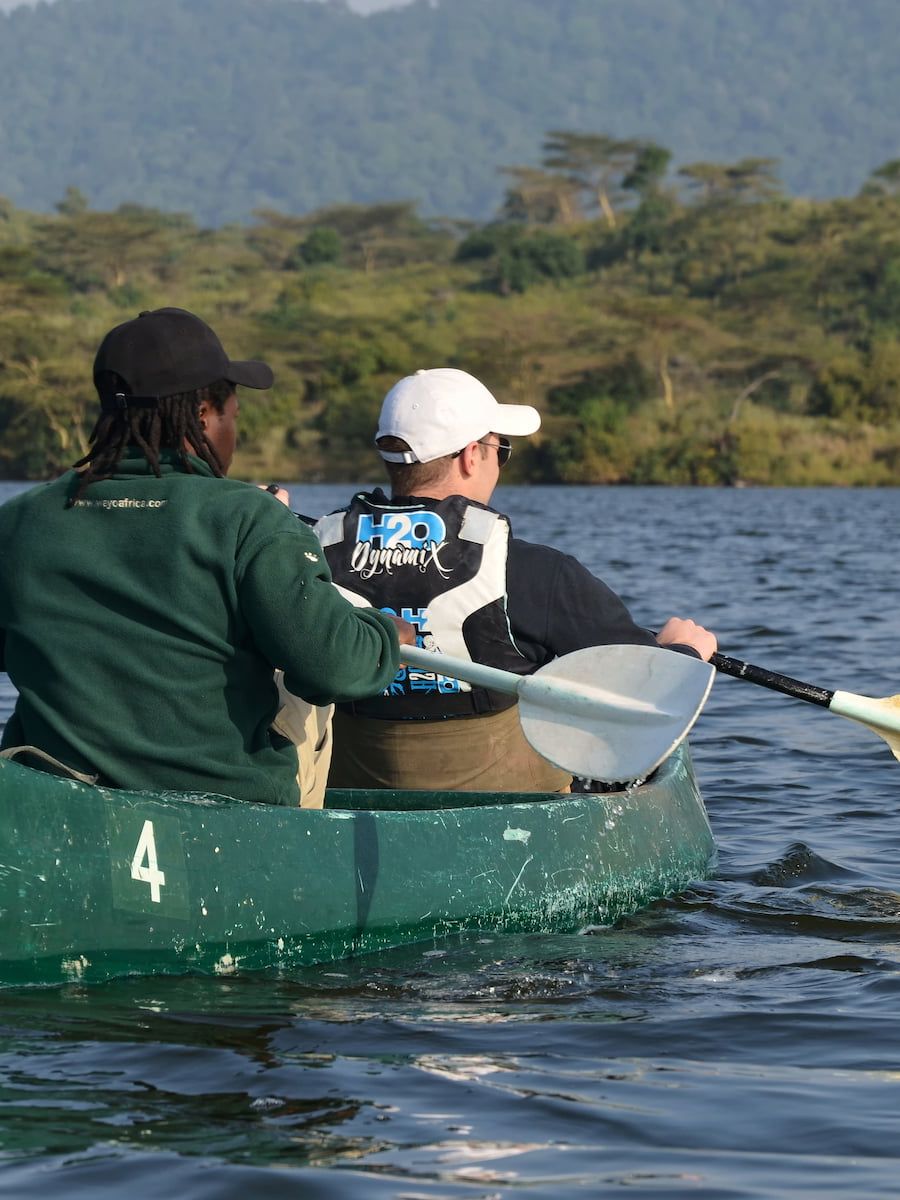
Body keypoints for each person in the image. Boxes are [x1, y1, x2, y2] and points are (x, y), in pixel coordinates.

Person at [0, 307, 410, 806]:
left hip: (59, 804)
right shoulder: (248, 518)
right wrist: (384, 632)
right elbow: (336, 668)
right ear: (202, 415)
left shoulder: (21, 520)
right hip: (224, 814)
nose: (233, 433)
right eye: (232, 416)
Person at [314, 367, 716, 792]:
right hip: (512, 823)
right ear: (472, 455)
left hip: (355, 801)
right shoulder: (538, 572)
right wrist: (683, 653)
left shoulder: (308, 556)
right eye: (500, 448)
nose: (500, 461)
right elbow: (646, 698)